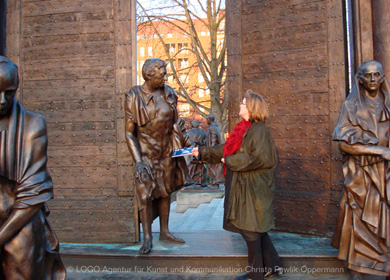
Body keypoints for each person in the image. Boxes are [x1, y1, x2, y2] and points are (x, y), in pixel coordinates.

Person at [193, 90, 283, 280]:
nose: (240, 105)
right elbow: (225, 149)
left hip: (253, 188)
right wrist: (201, 152)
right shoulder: (244, 128)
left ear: (251, 107)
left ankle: (255, 274)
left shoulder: (259, 130)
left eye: (243, 103)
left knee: (251, 230)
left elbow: (257, 158)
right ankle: (274, 266)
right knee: (255, 229)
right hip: (245, 186)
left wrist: (229, 161)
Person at [0, 56, 65, 279]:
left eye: (9, 92)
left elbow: (32, 193)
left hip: (19, 223)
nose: (2, 100)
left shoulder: (33, 124)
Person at [125, 58, 190, 254]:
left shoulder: (170, 93)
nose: (166, 77)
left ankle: (165, 231)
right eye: (162, 74)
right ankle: (147, 237)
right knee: (144, 196)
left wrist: (184, 148)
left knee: (165, 191)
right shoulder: (133, 96)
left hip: (166, 152)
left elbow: (176, 125)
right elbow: (128, 133)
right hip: (145, 154)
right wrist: (137, 162)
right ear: (149, 75)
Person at [332, 60, 390, 279]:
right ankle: (363, 266)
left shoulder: (388, 104)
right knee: (362, 219)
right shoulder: (351, 106)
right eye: (368, 75)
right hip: (361, 175)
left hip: (385, 174)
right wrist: (379, 151)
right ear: (361, 78)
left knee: (383, 217)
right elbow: (343, 144)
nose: (373, 79)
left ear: (382, 78)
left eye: (377, 75)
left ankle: (384, 261)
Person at [205, 113, 225, 188]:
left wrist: (211, 151)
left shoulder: (213, 128)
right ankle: (214, 182)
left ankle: (215, 183)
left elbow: (213, 140)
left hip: (214, 151)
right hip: (214, 151)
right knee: (213, 167)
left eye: (207, 119)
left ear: (210, 119)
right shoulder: (214, 127)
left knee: (214, 167)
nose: (206, 121)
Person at [187, 120, 207, 188]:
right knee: (201, 167)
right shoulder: (203, 132)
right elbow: (205, 142)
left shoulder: (189, 132)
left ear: (192, 125)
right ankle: (202, 181)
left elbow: (187, 142)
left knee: (191, 167)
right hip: (201, 151)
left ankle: (192, 181)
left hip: (192, 151)